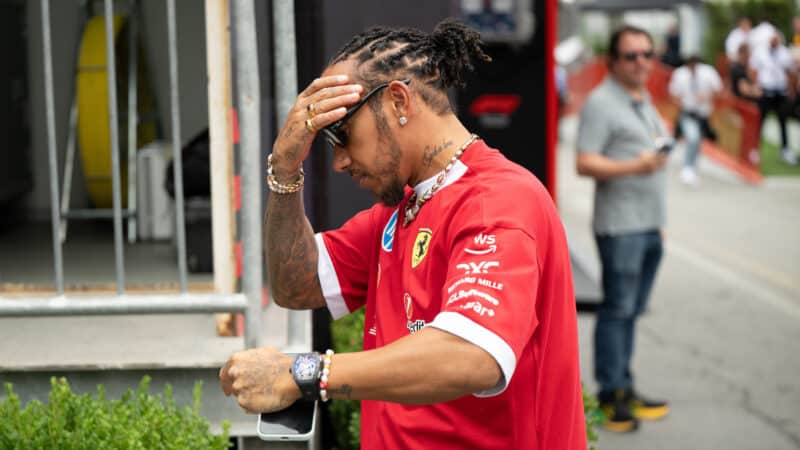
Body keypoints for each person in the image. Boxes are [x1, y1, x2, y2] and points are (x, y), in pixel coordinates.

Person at [219, 19, 587, 450]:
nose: (339, 161)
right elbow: (296, 286)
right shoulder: (405, 209)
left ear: (398, 101)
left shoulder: (498, 201)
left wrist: (306, 373)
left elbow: (473, 356)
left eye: (343, 134)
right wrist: (285, 170)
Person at [576, 24, 670, 433]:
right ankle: (610, 394)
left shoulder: (642, 98)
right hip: (620, 227)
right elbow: (585, 162)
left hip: (647, 225)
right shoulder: (601, 102)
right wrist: (639, 165)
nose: (641, 62)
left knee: (631, 310)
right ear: (613, 61)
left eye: (646, 54)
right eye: (631, 55)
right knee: (617, 310)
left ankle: (624, 385)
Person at [669, 55, 723, 185]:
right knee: (692, 138)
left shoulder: (708, 72)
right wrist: (681, 103)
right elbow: (673, 94)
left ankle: (692, 167)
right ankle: (687, 168)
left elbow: (718, 90)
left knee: (698, 141)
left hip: (703, 114)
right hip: (688, 113)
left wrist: (706, 95)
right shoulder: (680, 75)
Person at [750, 31, 798, 165]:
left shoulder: (784, 53)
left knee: (783, 121)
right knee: (760, 121)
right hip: (766, 91)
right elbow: (753, 69)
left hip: (780, 91)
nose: (774, 42)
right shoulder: (760, 52)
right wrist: (755, 86)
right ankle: (755, 150)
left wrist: (791, 89)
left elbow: (791, 71)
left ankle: (785, 150)